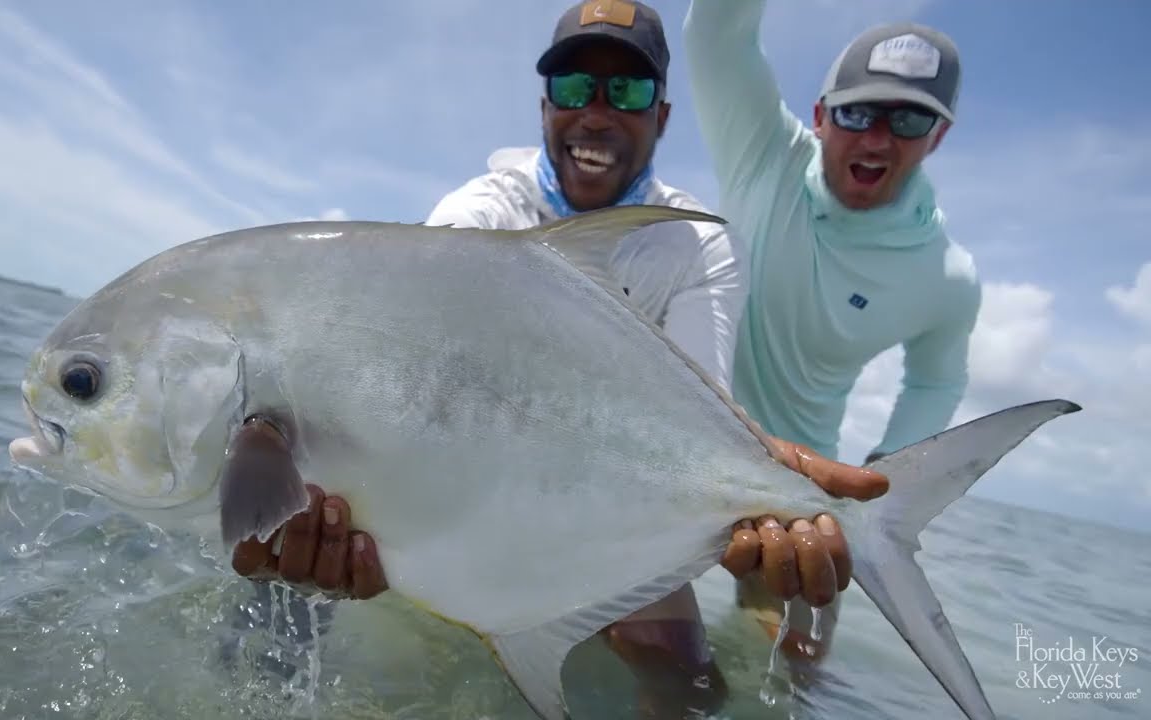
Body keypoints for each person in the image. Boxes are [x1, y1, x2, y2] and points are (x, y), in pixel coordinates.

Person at [232, 1, 889, 717]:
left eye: (628, 91)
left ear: (663, 116)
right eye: (575, 88)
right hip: (463, 490)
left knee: (689, 685)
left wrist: (760, 485)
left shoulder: (696, 245)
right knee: (295, 593)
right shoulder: (478, 214)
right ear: (545, 104)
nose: (597, 113)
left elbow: (703, 414)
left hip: (616, 497)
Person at [683, 0, 981, 668]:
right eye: (856, 113)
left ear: (937, 137)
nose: (876, 138)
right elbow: (714, 31)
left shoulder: (948, 276)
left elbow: (938, 378)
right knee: (643, 643)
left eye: (908, 119)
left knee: (792, 668)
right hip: (677, 443)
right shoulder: (764, 152)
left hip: (798, 491)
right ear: (819, 116)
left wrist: (879, 490)